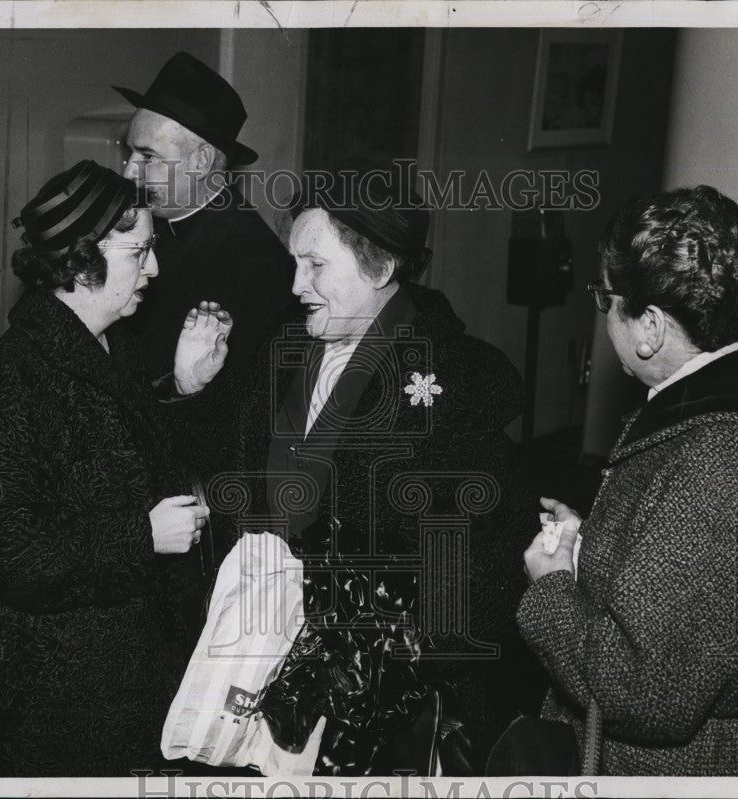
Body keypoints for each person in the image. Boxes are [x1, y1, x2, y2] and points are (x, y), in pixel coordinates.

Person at [187, 165, 542, 775]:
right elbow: (230, 477)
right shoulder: (284, 349)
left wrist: (393, 659)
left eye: (316, 265)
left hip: (378, 692)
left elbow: (480, 565)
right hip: (265, 656)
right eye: (295, 263)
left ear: (380, 268)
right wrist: (195, 385)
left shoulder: (453, 379)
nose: (296, 284)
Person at [0, 161, 228, 776]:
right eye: (140, 250)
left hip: (93, 678)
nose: (154, 268)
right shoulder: (24, 373)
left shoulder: (105, 342)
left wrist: (180, 384)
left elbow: (115, 458)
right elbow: (5, 549)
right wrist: (141, 537)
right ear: (81, 257)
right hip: (37, 696)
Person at [516, 185, 738, 775]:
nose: (601, 308)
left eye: (605, 296)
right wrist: (597, 551)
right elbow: (705, 601)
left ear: (650, 328)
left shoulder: (708, 461)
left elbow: (642, 691)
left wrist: (553, 586)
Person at [113, 51, 295, 382]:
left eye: (148, 156)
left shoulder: (255, 263)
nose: (129, 173)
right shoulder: (150, 219)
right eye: (130, 153)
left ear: (200, 162)